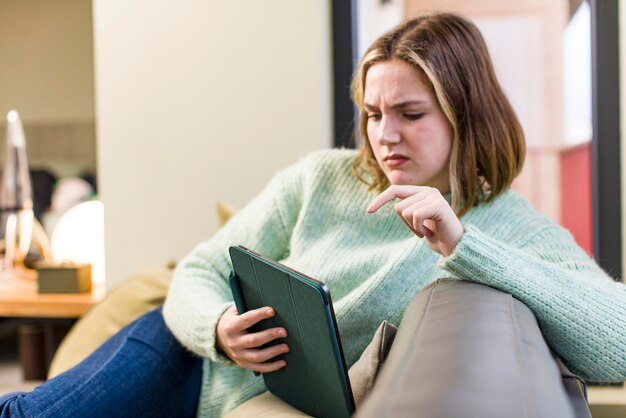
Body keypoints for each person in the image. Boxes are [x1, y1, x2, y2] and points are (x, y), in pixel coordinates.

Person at [1, 11, 625, 418]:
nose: (386, 136)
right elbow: (199, 267)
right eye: (375, 113)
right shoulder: (323, 177)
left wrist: (464, 244)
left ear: (467, 114)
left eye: (411, 114)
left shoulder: (503, 225)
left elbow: (618, 344)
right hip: (185, 354)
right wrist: (218, 327)